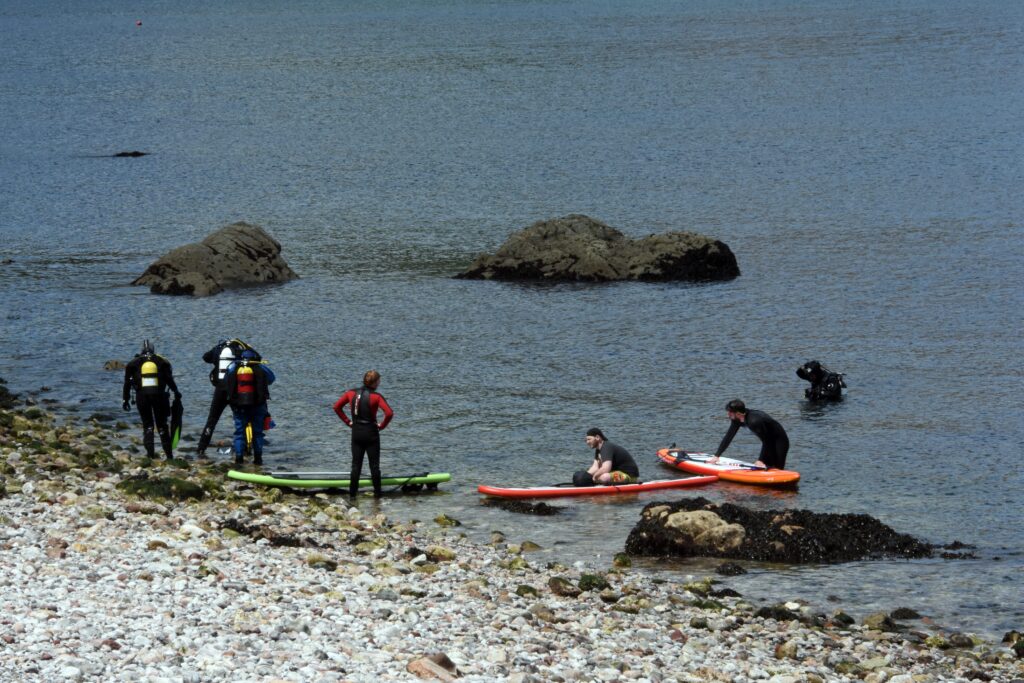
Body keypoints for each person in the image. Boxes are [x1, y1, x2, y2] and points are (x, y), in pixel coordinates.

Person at [333, 370, 394, 498]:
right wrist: (382, 426)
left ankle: (352, 496)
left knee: (356, 466)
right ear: (375, 382)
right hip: (371, 433)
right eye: (379, 380)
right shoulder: (377, 396)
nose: (380, 382)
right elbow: (389, 413)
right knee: (374, 466)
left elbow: (337, 407)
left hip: (356, 432)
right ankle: (377, 496)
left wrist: (348, 422)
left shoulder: (350, 393)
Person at [196, 339, 261, 458]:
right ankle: (246, 449)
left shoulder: (218, 350)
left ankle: (201, 448)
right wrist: (248, 347)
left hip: (220, 390)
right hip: (234, 390)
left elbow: (205, 357)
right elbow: (258, 358)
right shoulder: (239, 350)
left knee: (212, 420)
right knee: (242, 420)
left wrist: (216, 349)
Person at [122, 340, 180, 459]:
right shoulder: (162, 361)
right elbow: (169, 379)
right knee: (162, 425)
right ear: (154, 350)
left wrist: (125, 400)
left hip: (142, 397)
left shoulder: (133, 363)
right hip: (159, 396)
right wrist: (176, 391)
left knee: (148, 425)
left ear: (141, 351)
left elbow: (127, 383)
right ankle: (169, 456)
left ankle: (150, 455)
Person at [222, 350, 275, 465]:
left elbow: (226, 381)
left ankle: (239, 459)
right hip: (258, 406)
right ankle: (258, 459)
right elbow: (272, 378)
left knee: (239, 433)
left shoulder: (234, 367)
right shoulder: (260, 367)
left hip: (239, 406)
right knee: (258, 433)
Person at [708, 399, 790, 469]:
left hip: (779, 441)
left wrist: (760, 460)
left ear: (738, 413)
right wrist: (717, 456)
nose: (728, 414)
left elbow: (767, 440)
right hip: (768, 441)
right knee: (767, 467)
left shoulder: (754, 421)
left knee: (777, 469)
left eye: (730, 412)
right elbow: (729, 436)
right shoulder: (737, 420)